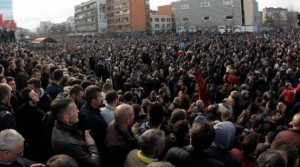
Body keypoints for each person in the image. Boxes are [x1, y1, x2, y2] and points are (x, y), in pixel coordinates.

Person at [51, 98, 101, 167]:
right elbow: (93, 164)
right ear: (66, 118)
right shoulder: (69, 144)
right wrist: (91, 145)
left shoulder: (60, 124)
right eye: (75, 110)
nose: (78, 111)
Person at [14, 87, 46, 162]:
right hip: (36, 144)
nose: (37, 94)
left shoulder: (19, 110)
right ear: (29, 101)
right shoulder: (37, 113)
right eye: (34, 95)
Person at [79, 85, 107, 152]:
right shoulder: (91, 118)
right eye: (100, 96)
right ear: (93, 101)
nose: (102, 98)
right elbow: (96, 140)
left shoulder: (87, 106)